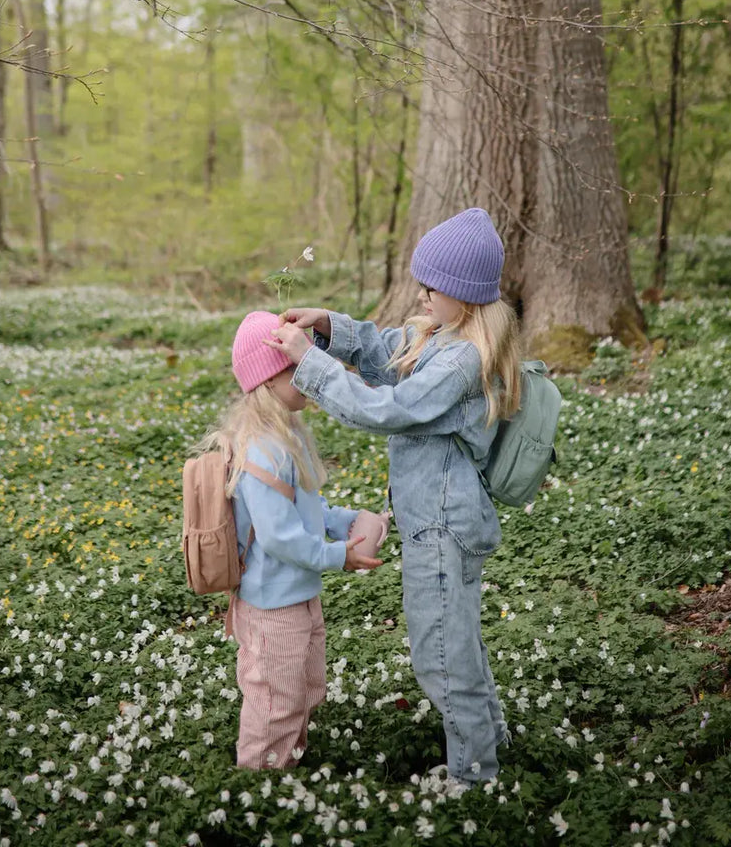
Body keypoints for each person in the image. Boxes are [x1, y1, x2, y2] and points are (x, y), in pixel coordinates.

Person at [267, 208, 522, 783]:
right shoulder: (445, 333)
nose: (422, 292)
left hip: (442, 527)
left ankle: (475, 777)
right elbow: (389, 350)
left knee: (440, 657)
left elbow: (387, 410)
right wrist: (329, 326)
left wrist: (307, 362)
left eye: (432, 284)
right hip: (441, 521)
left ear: (463, 293)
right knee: (458, 642)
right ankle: (489, 737)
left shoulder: (462, 360)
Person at [200, 310, 383, 770]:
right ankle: (260, 784)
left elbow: (304, 509)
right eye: (297, 367)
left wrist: (345, 520)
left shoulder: (288, 436)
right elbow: (281, 538)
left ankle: (289, 765)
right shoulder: (261, 447)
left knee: (304, 689)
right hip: (272, 605)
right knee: (274, 701)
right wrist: (338, 556)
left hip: (300, 595)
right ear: (269, 378)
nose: (309, 372)